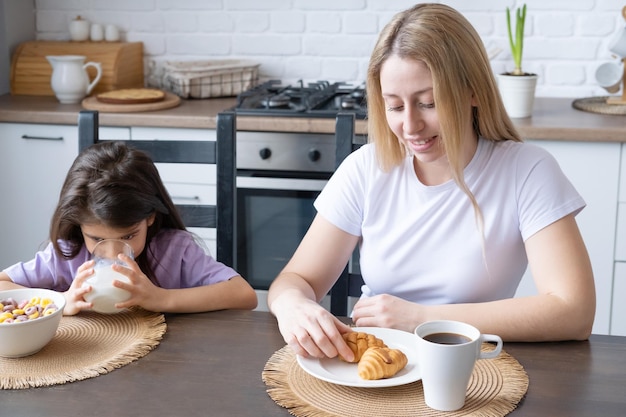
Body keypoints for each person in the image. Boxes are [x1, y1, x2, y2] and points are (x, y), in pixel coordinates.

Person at [267, 3, 595, 361]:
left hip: (473, 366)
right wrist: (292, 306)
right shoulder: (365, 169)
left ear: (472, 91)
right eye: (394, 106)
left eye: (428, 103)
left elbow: (573, 312)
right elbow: (297, 278)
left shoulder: (527, 171)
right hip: (378, 364)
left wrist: (422, 319)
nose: (410, 126)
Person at [0, 141, 257, 314]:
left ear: (150, 217)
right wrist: (61, 300)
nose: (113, 255)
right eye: (96, 238)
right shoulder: (66, 255)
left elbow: (244, 295)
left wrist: (162, 299)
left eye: (128, 236)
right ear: (78, 226)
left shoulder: (174, 250)